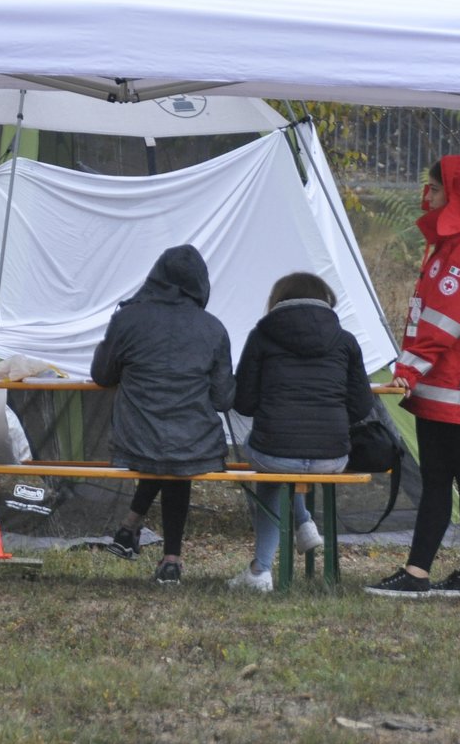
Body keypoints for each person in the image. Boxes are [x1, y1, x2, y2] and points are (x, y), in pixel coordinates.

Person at [366, 153, 460, 599]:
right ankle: (422, 571)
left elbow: (445, 316)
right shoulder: (456, 238)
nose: (430, 196)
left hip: (458, 380)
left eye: (438, 188)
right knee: (443, 476)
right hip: (442, 378)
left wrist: (408, 368)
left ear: (459, 192)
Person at [96, 245, 236, 584]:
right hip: (194, 443)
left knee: (163, 444)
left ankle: (130, 528)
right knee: (178, 448)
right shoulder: (213, 328)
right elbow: (223, 398)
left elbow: (102, 375)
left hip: (134, 439)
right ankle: (170, 557)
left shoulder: (127, 319)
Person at [229, 272, 377, 593]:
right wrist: (333, 415)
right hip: (332, 456)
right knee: (282, 465)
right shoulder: (345, 340)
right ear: (326, 300)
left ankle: (261, 570)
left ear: (278, 300)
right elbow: (363, 405)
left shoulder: (261, 336)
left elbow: (243, 401)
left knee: (267, 466)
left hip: (274, 452)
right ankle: (303, 524)